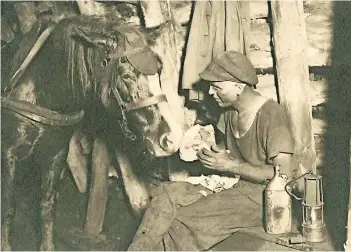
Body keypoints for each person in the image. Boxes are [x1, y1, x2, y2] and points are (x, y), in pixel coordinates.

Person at [127, 51, 302, 251]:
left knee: (183, 220)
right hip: (230, 184)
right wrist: (203, 148)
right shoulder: (228, 113)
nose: (210, 92)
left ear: (238, 86)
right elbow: (222, 152)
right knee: (166, 193)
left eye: (217, 87)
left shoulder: (272, 115)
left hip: (262, 199)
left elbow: (284, 175)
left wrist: (231, 165)